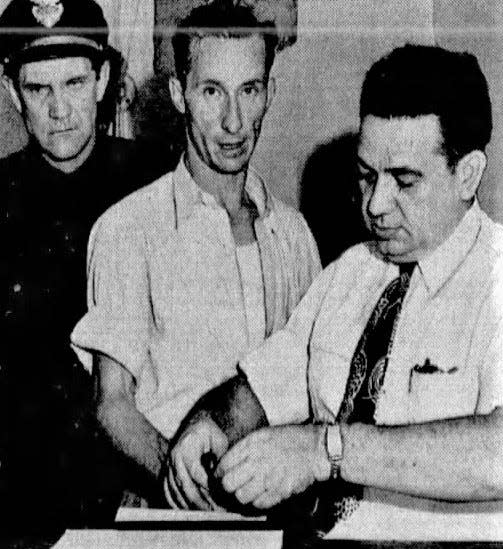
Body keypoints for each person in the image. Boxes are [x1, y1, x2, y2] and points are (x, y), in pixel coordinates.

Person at [167, 44, 503, 520]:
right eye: (367, 176)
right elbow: (267, 384)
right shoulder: (351, 272)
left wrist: (326, 450)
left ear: (467, 175)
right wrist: (212, 423)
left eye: (404, 181)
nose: (376, 205)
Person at [71, 1, 320, 508]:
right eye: (212, 92)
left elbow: (313, 380)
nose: (233, 121)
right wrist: (183, 482)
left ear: (270, 92)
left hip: (281, 515)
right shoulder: (127, 229)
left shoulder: (293, 233)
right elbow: (112, 404)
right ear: (178, 94)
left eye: (249, 91)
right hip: (171, 517)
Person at [0, 0, 171, 532]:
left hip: (142, 491)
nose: (59, 110)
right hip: (20, 501)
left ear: (101, 80)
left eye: (74, 84)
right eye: (38, 89)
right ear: (11, 93)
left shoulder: (159, 184)